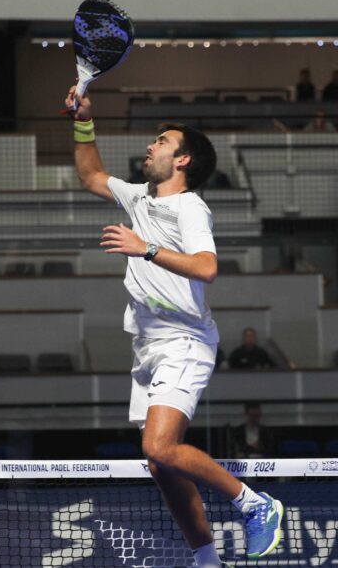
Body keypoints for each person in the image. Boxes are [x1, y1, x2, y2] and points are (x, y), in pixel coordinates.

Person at [65, 85, 283, 567]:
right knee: (160, 463)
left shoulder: (190, 208)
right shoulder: (139, 197)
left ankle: (255, 503)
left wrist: (144, 248)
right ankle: (207, 561)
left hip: (184, 340)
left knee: (160, 446)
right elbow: (91, 175)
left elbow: (207, 267)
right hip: (148, 347)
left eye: (162, 141)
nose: (151, 145)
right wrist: (83, 121)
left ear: (183, 160)